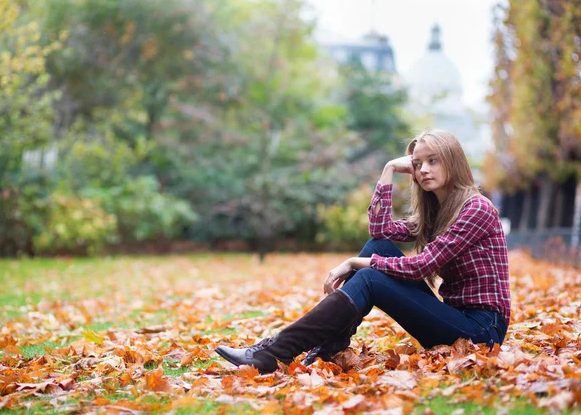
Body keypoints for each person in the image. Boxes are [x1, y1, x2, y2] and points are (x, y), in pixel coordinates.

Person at [215, 130, 511, 374]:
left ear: (452, 161)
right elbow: (379, 231)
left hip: (482, 332)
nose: (423, 170)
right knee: (378, 249)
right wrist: (389, 170)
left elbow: (421, 266)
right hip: (453, 317)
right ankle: (329, 346)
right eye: (418, 163)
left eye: (433, 161)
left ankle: (275, 351)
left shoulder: (476, 209)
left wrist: (356, 262)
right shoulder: (436, 212)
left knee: (370, 274)